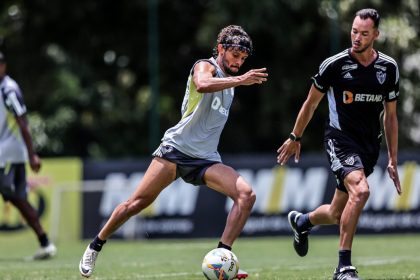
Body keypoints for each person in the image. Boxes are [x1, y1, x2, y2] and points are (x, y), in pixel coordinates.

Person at [79, 25, 268, 278]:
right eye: (235, 55)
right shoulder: (206, 66)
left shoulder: (231, 84)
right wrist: (241, 80)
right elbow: (201, 84)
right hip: (176, 150)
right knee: (136, 203)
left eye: (244, 59)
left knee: (246, 195)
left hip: (206, 159)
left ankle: (223, 259)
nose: (239, 62)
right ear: (221, 48)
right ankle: (95, 246)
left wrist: (237, 81)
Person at [277, 8, 401, 280]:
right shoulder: (333, 65)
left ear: (376, 35)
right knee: (362, 191)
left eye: (364, 33)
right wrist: (295, 136)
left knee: (336, 213)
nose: (357, 37)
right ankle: (343, 266)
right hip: (339, 140)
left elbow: (390, 117)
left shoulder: (388, 68)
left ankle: (302, 221)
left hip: (369, 147)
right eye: (354, 31)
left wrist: (392, 158)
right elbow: (310, 104)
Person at [0, 51, 57, 259]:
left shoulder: (9, 90)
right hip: (8, 154)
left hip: (7, 155)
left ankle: (45, 242)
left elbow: (23, 121)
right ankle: (45, 242)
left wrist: (32, 155)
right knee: (18, 198)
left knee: (17, 197)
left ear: (3, 66)